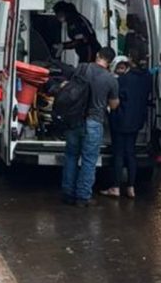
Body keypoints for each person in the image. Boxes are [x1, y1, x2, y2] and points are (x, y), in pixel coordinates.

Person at [61, 46, 120, 207]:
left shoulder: (82, 68)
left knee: (71, 156)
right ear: (110, 62)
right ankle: (83, 197)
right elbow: (113, 105)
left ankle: (67, 193)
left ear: (97, 55)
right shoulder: (111, 79)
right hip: (94, 123)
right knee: (88, 160)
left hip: (75, 119)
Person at [100, 55, 152, 198]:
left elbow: (113, 101)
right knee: (130, 152)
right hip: (136, 122)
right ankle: (131, 187)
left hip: (120, 121)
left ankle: (115, 187)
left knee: (118, 153)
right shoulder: (146, 79)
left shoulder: (121, 81)